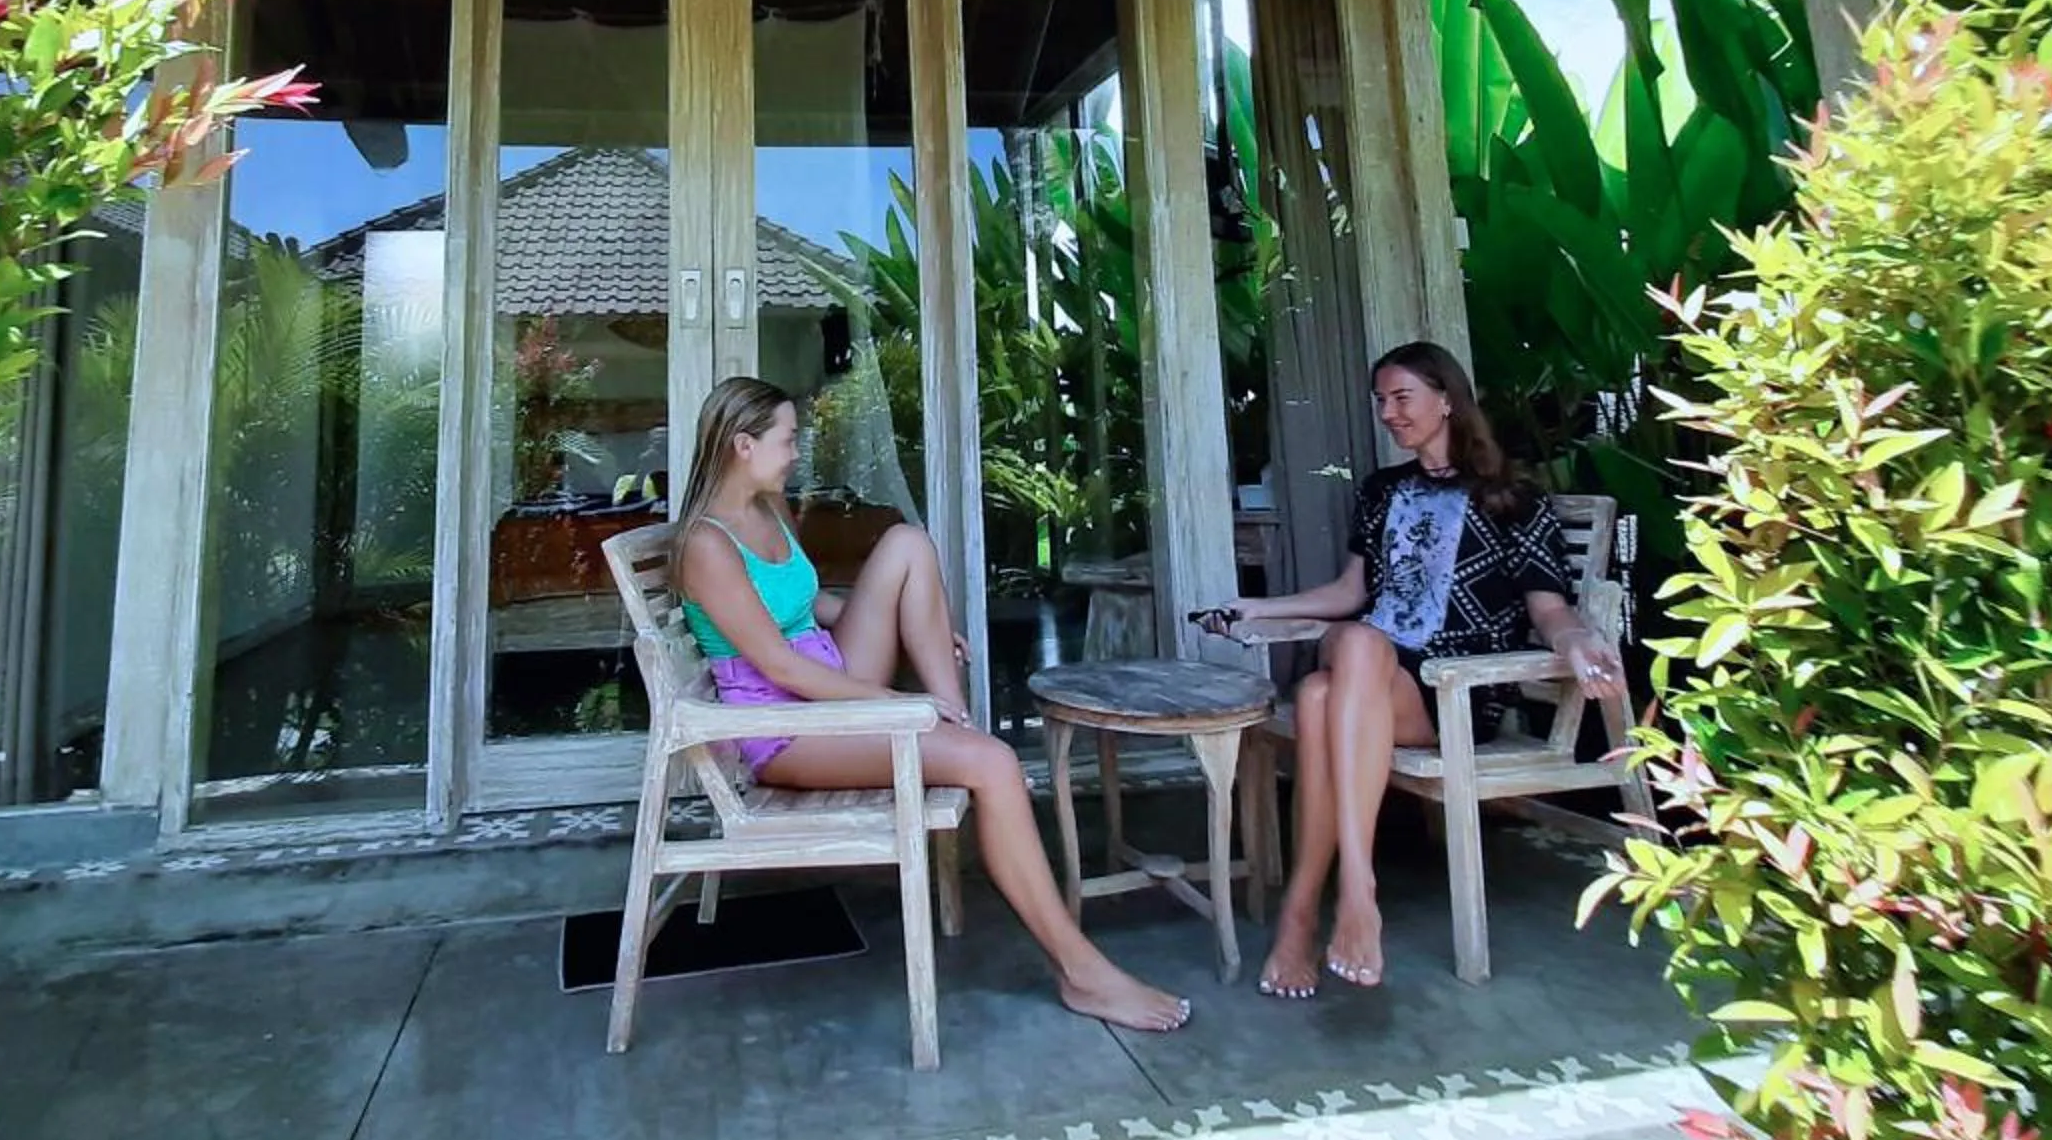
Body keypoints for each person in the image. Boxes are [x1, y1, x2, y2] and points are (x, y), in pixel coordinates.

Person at [672, 375, 1191, 1034]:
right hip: (786, 729)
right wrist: (894, 702)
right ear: (743, 445)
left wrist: (914, 622)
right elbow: (778, 666)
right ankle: (1082, 972)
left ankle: (954, 724)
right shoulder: (708, 544)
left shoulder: (769, 511)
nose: (797, 451)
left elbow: (808, 609)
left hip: (825, 685)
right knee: (995, 765)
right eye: (787, 439)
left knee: (908, 545)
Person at [1193, 342, 1622, 998]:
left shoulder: (1513, 498)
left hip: (1447, 693)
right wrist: (1257, 606)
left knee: (1315, 697)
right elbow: (1348, 593)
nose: (1388, 414)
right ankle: (1357, 886)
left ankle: (1303, 914)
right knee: (1360, 644)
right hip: (1374, 658)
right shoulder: (1382, 491)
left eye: (1402, 398)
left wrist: (1576, 641)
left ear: (1446, 399)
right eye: (1381, 401)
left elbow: (1549, 606)